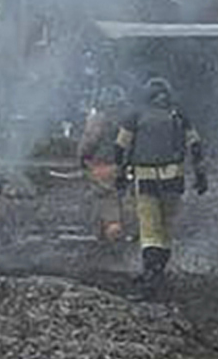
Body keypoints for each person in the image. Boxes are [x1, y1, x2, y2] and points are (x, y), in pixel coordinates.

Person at [115, 75, 207, 282]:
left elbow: (120, 146)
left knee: (149, 226)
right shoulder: (180, 116)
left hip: (145, 177)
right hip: (174, 178)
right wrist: (201, 175)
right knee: (166, 225)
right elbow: (196, 146)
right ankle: (159, 270)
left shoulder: (135, 115)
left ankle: (150, 271)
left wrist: (120, 174)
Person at [76, 84, 129, 246]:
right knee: (121, 198)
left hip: (102, 165)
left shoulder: (99, 118)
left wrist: (82, 157)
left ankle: (111, 238)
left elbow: (90, 141)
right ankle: (108, 235)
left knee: (105, 199)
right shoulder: (129, 119)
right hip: (125, 165)